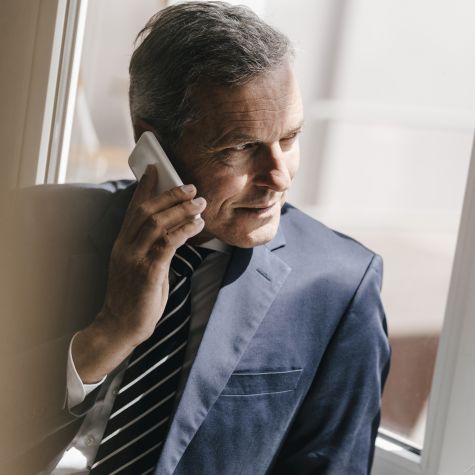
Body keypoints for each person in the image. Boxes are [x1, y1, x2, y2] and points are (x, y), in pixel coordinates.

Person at [0, 2, 390, 474]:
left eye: (288, 139)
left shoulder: (339, 286)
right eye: (241, 147)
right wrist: (111, 332)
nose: (278, 177)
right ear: (151, 143)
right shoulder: (28, 229)